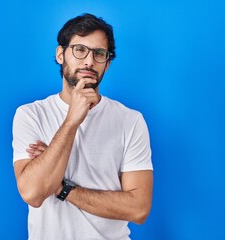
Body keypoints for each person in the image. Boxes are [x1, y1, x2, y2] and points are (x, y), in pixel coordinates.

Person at [12, 13, 153, 240]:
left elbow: (138, 209)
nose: (89, 61)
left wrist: (61, 188)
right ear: (61, 54)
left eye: (99, 54)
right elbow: (33, 193)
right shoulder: (30, 115)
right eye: (79, 50)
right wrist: (71, 121)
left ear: (107, 64)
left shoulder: (130, 120)